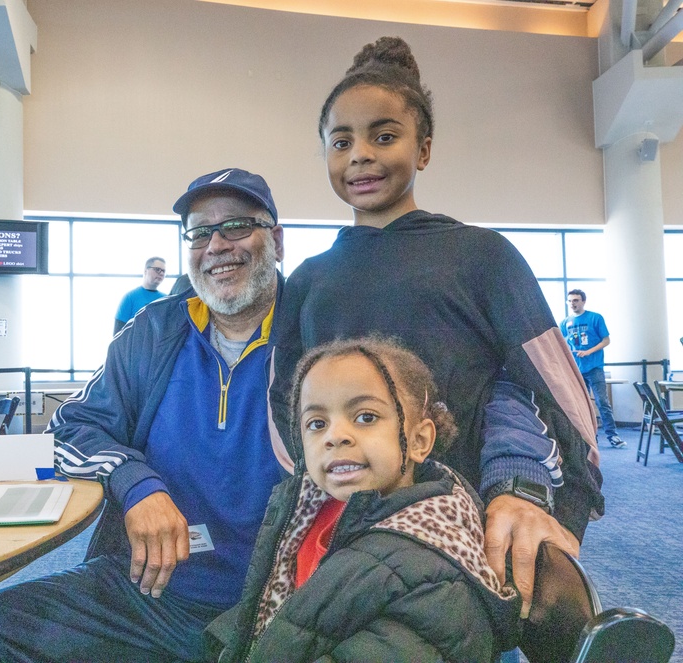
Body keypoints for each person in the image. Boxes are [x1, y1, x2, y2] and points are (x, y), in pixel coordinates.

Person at [268, 36, 604, 615]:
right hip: (343, 527)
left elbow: (562, 396)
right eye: (341, 141)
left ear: (423, 150)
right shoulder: (306, 279)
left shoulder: (483, 256)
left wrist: (553, 508)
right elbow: (285, 407)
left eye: (384, 135)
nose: (360, 156)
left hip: (463, 530)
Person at [0, 168, 287, 662]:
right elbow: (68, 427)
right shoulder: (154, 332)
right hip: (153, 591)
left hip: (279, 601)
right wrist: (136, 484)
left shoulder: (315, 330)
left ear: (277, 241)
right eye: (199, 232)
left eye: (237, 226)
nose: (217, 245)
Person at [209, 337, 520, 661]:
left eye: (365, 417)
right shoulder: (310, 509)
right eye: (317, 423)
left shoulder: (433, 571)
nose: (335, 436)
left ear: (418, 440)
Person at [561, 289, 624, 448]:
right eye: (570, 301)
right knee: (581, 404)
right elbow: (564, 344)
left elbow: (606, 340)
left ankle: (612, 435)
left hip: (594, 367)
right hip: (576, 370)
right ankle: (589, 437)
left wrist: (588, 351)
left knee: (602, 402)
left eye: (576, 300)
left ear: (583, 301)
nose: (573, 303)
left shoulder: (595, 318)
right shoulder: (565, 323)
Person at [113, 256, 167, 334]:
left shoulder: (166, 299)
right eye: (157, 269)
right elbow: (117, 334)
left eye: (163, 271)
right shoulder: (130, 297)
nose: (161, 273)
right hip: (134, 345)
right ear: (145, 271)